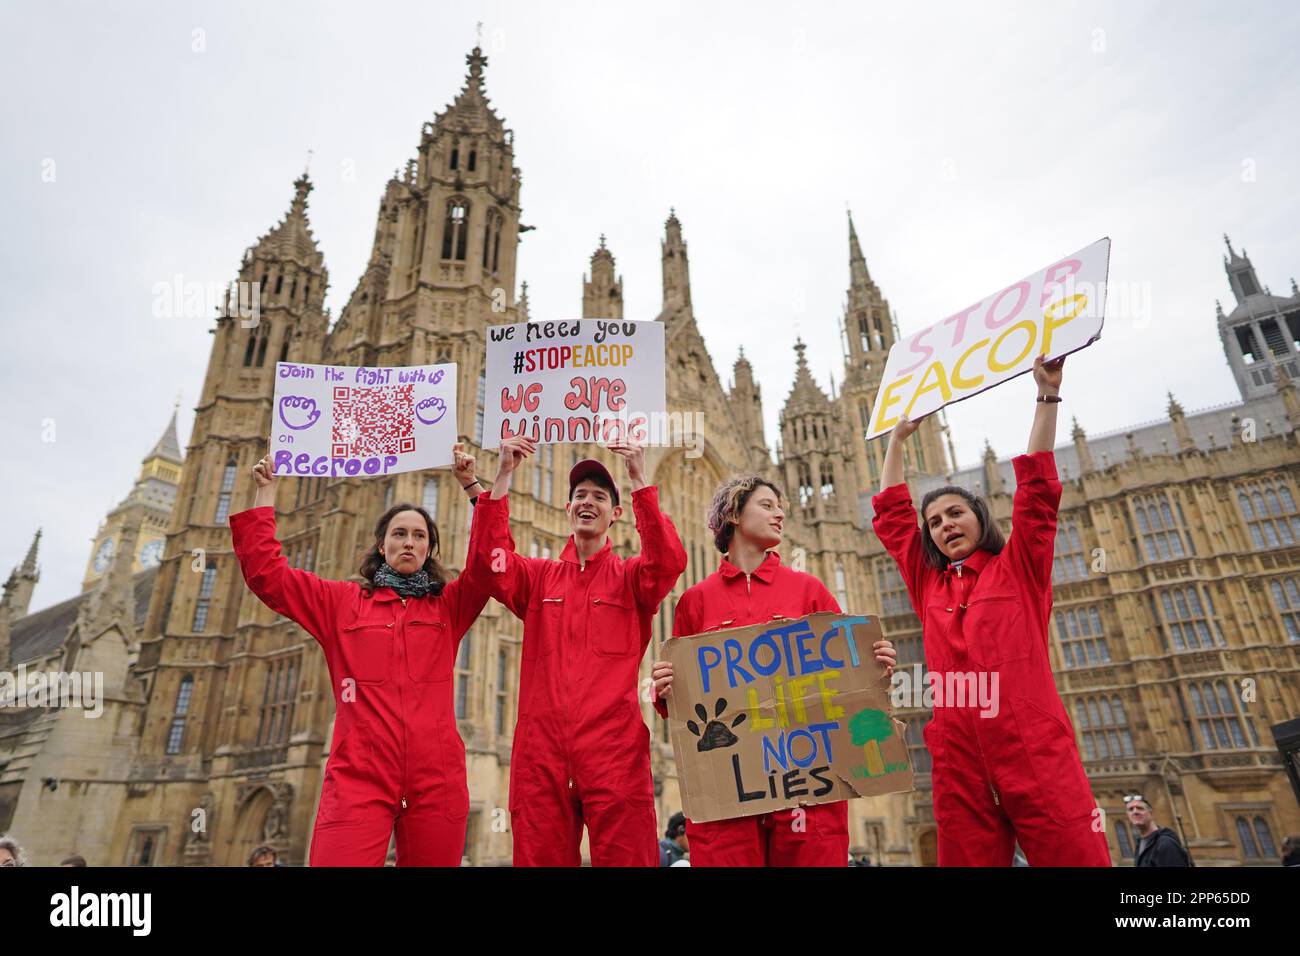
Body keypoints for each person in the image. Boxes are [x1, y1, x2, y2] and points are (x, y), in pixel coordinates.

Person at [871, 355, 1109, 867]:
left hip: (1030, 744)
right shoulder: (928, 584)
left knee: (1076, 856)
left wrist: (1046, 395)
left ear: (980, 518)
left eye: (955, 513)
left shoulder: (1018, 569)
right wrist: (894, 442)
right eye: (933, 521)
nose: (944, 525)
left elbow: (1038, 496)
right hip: (957, 753)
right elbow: (893, 518)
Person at [230, 443, 491, 866]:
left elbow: (490, 565)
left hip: (436, 776)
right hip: (360, 775)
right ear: (381, 545)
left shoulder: (449, 606)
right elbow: (268, 576)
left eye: (419, 536)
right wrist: (265, 492)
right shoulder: (342, 602)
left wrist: (472, 486)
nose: (409, 542)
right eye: (400, 534)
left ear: (430, 550)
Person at [651, 475, 898, 866]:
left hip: (806, 783)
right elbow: (683, 708)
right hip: (728, 789)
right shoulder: (696, 602)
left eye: (780, 506)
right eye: (767, 505)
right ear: (733, 513)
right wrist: (663, 689)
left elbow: (849, 685)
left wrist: (875, 666)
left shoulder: (809, 590)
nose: (780, 513)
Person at [470, 435, 687, 866]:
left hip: (615, 750)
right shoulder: (539, 579)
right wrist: (503, 475)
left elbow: (668, 561)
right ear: (568, 509)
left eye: (600, 497)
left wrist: (641, 480)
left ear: (616, 513)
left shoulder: (630, 580)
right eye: (580, 496)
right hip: (540, 755)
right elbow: (490, 563)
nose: (588, 502)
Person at [1126, 795, 1191, 867]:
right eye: (1131, 809)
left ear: (1151, 813)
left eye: (1140, 808)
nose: (1135, 812)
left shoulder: (1165, 844)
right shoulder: (1140, 844)